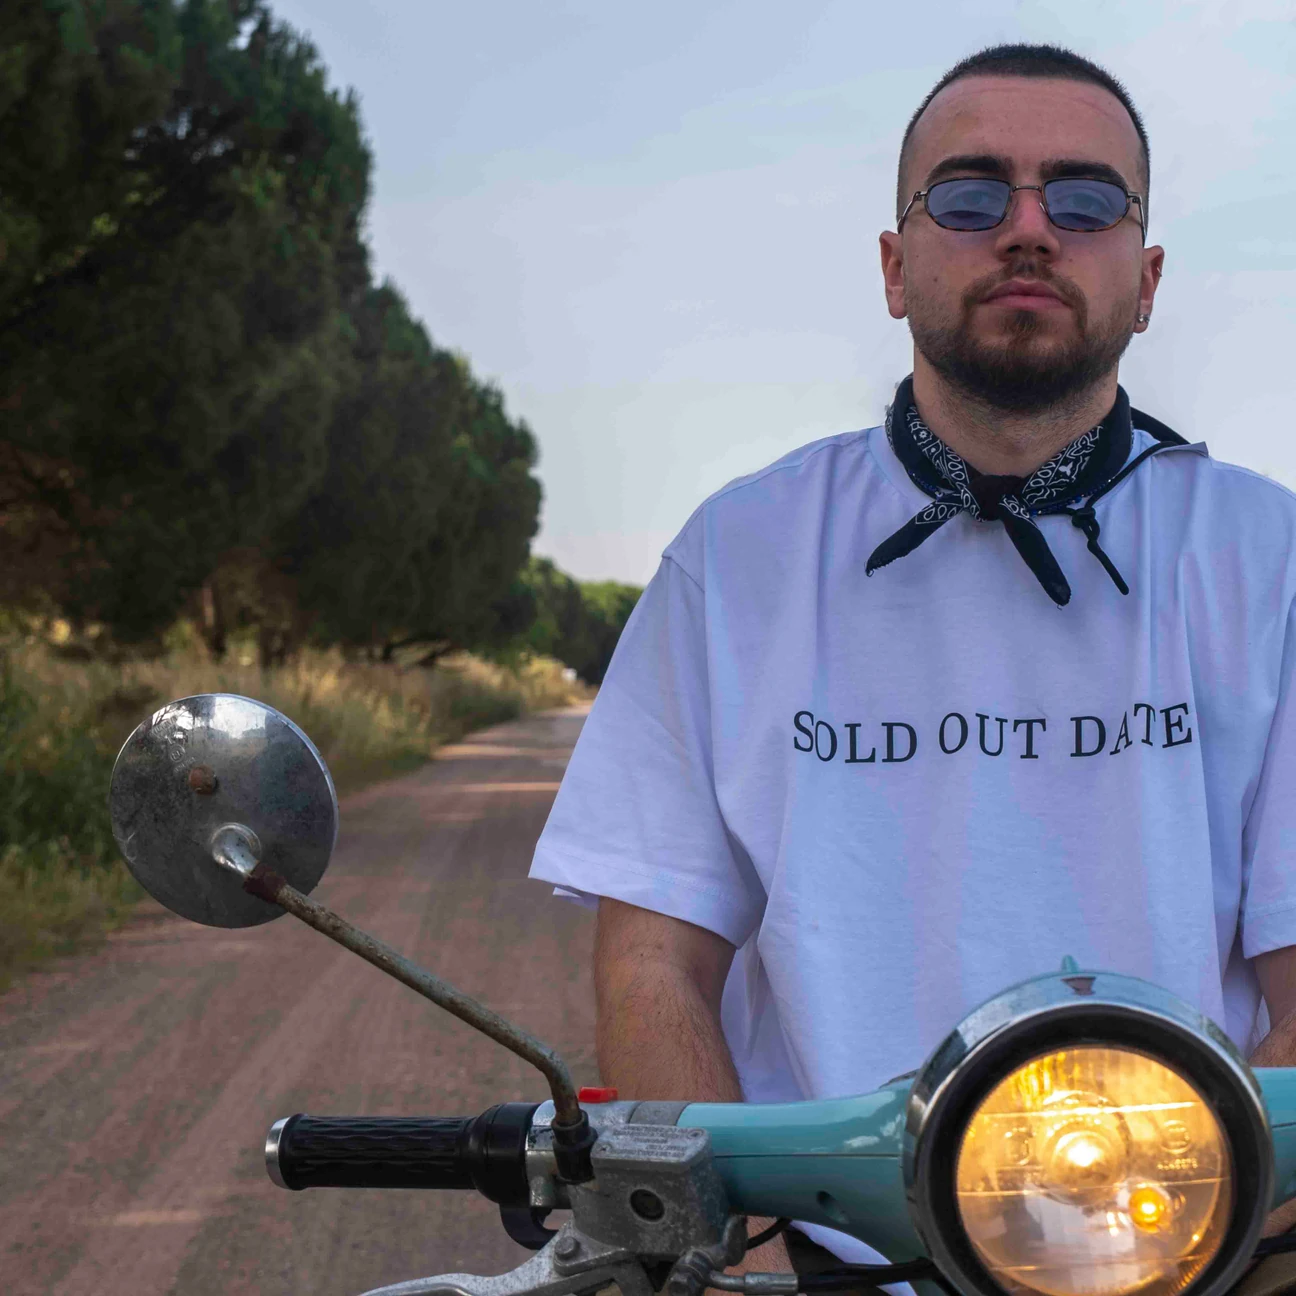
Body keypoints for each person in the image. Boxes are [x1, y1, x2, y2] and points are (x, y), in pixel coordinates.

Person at [529, 42, 1296, 1287]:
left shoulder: (1271, 560)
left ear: (1147, 279)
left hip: (1195, 1248)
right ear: (895, 266)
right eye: (972, 195)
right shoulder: (739, 556)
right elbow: (656, 953)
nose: (1030, 229)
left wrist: (1172, 1234)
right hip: (843, 1253)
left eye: (1085, 198)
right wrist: (709, 1244)